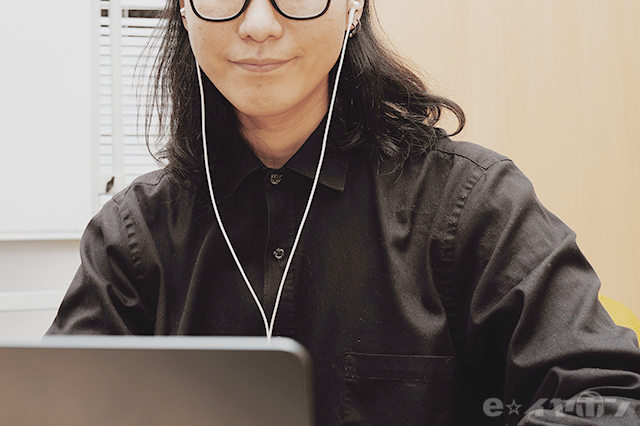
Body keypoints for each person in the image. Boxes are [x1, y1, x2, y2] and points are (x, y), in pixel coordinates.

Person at [48, 0, 640, 424]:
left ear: (354, 6)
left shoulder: (472, 202)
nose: (258, 24)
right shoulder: (133, 233)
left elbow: (607, 397)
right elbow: (55, 406)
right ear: (183, 10)